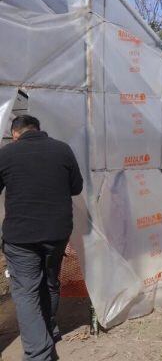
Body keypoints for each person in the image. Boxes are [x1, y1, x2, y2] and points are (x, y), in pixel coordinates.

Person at [0, 115, 83, 361]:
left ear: (15, 133)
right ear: (38, 129)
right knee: (49, 282)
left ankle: (39, 354)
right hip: (56, 233)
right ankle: (49, 331)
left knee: (26, 291)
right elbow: (76, 187)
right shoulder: (62, 150)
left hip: (20, 237)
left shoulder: (6, 154)